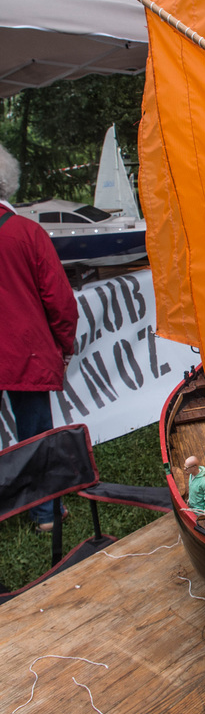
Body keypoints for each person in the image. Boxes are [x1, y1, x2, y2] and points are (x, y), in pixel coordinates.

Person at [0, 144, 78, 532]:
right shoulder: (26, 233)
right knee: (35, 436)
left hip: (16, 351)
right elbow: (59, 300)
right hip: (22, 352)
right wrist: (65, 345)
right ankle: (46, 514)